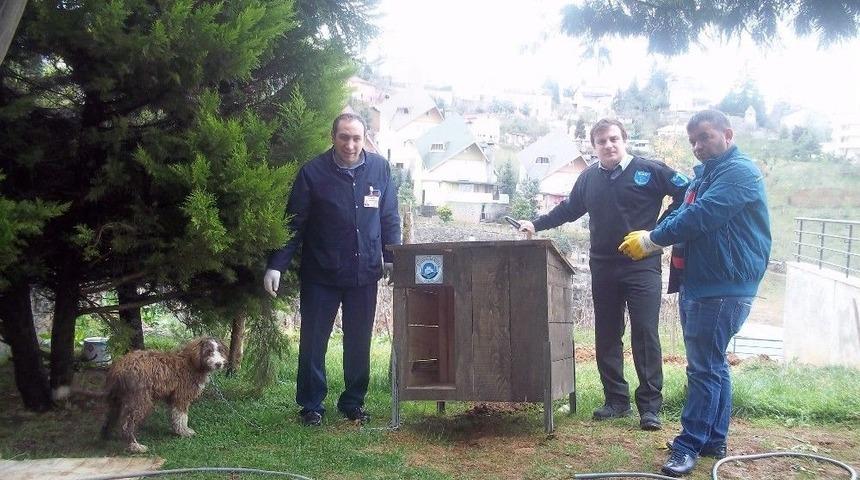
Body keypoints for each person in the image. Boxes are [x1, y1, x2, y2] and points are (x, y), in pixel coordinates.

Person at [618, 109, 771, 477]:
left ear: (727, 134)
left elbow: (702, 215)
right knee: (713, 363)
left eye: (705, 137)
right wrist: (653, 233)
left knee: (702, 367)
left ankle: (688, 445)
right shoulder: (706, 175)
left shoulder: (739, 173)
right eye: (693, 141)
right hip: (703, 281)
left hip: (723, 283)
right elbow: (680, 212)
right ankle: (713, 439)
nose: (698, 146)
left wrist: (653, 240)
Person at [517, 118, 689, 430]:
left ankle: (650, 407)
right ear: (594, 147)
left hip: (642, 266)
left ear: (624, 140)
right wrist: (535, 223)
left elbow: (686, 192)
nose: (608, 146)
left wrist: (659, 231)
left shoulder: (650, 170)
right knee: (607, 334)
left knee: (645, 335)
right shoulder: (589, 178)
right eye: (601, 142)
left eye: (613, 139)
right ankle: (616, 401)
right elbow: (568, 209)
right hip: (603, 266)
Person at [263, 113, 401, 426]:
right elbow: (294, 224)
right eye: (344, 137)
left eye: (356, 138)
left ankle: (353, 403)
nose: (350, 145)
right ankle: (311, 405)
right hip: (321, 274)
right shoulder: (312, 173)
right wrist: (275, 266)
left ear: (365, 138)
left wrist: (392, 257)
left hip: (364, 272)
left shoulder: (380, 169)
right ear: (333, 137)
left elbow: (390, 216)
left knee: (359, 341)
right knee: (313, 341)